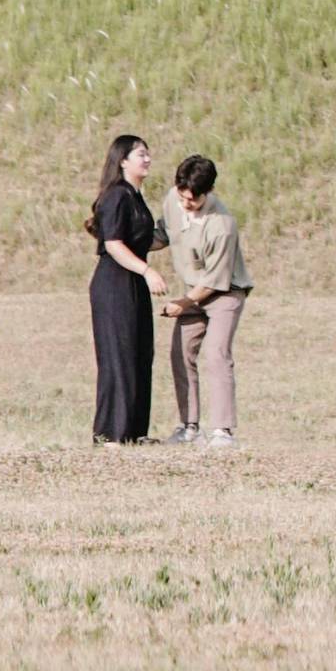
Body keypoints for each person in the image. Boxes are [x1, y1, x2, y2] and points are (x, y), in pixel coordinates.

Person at [159, 151, 253, 447]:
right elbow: (163, 234)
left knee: (216, 354)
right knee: (181, 353)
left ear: (208, 192)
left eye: (193, 201)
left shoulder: (222, 226)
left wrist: (182, 303)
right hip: (192, 290)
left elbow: (215, 280)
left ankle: (222, 431)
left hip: (224, 292)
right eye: (182, 196)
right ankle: (189, 426)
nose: (186, 204)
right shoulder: (172, 201)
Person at [87, 132, 160, 444]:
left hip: (133, 282)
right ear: (123, 161)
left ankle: (134, 431)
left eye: (147, 153)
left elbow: (145, 239)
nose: (147, 159)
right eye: (140, 154)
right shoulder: (117, 195)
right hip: (115, 283)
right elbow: (114, 245)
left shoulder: (136, 195)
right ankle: (111, 433)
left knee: (140, 352)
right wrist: (147, 270)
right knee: (119, 354)